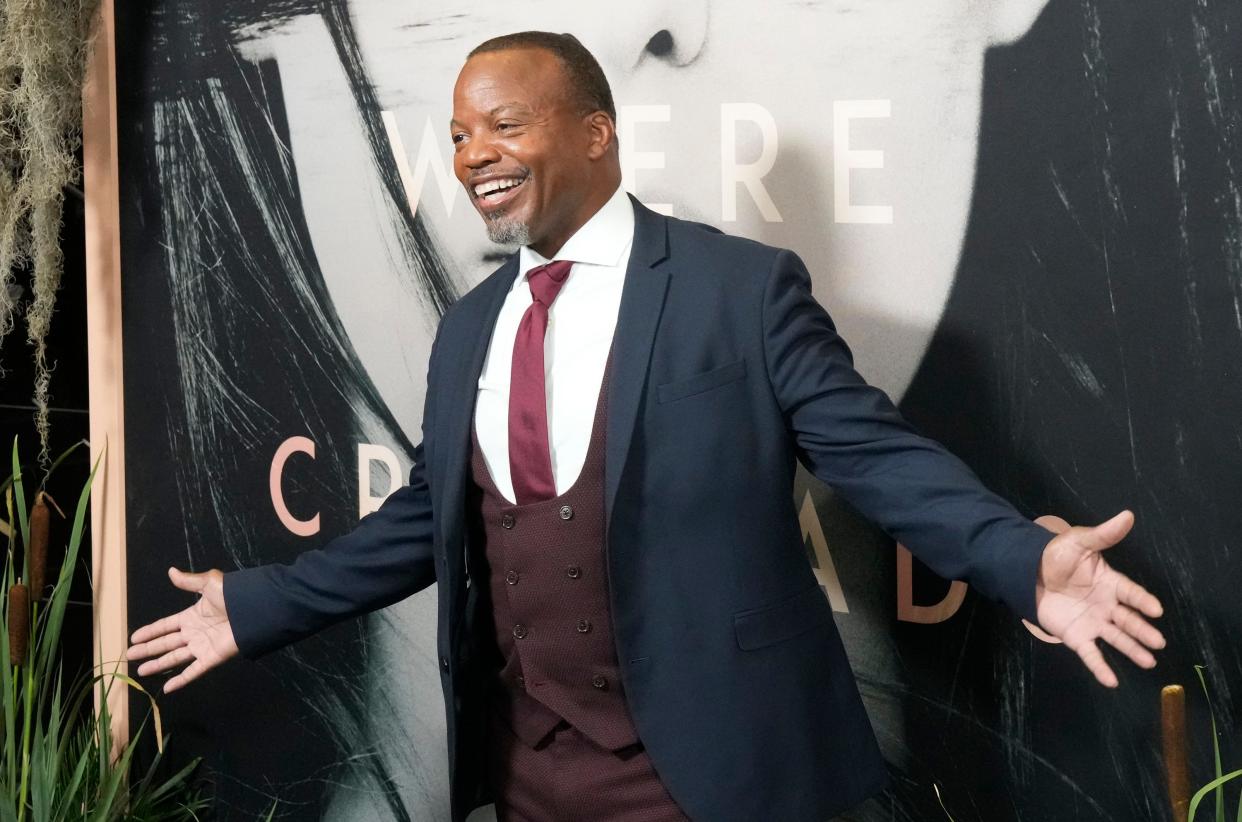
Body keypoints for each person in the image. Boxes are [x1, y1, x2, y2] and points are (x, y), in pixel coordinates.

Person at [126, 32, 1166, 822]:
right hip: (530, 777)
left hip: (724, 773)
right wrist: (254, 609)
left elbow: (876, 458)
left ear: (594, 132)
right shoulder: (470, 330)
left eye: (503, 124)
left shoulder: (740, 291)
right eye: (457, 134)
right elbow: (427, 523)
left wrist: (1025, 563)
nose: (473, 154)